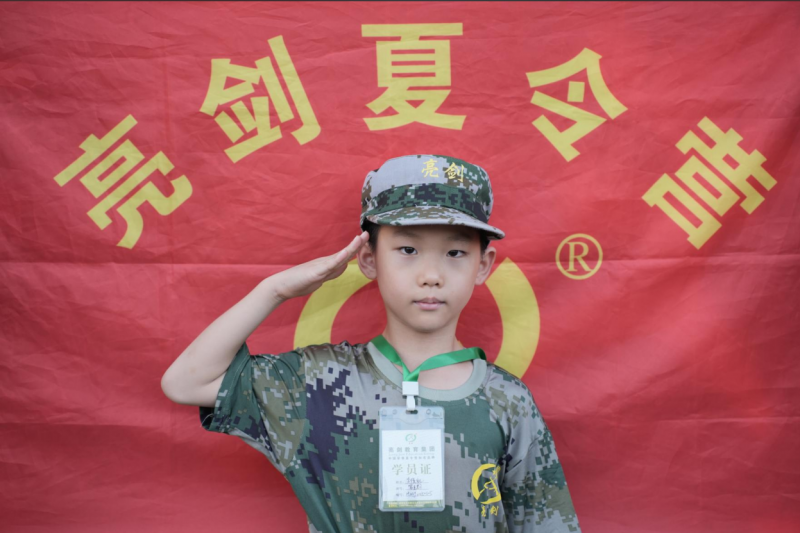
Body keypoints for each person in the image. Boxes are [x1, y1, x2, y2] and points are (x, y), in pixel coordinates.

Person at [161, 154, 582, 532]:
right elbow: (186, 383)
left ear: (483, 265)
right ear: (368, 258)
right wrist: (275, 289)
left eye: (455, 253)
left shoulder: (507, 400)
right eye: (407, 249)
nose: (431, 276)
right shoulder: (317, 383)